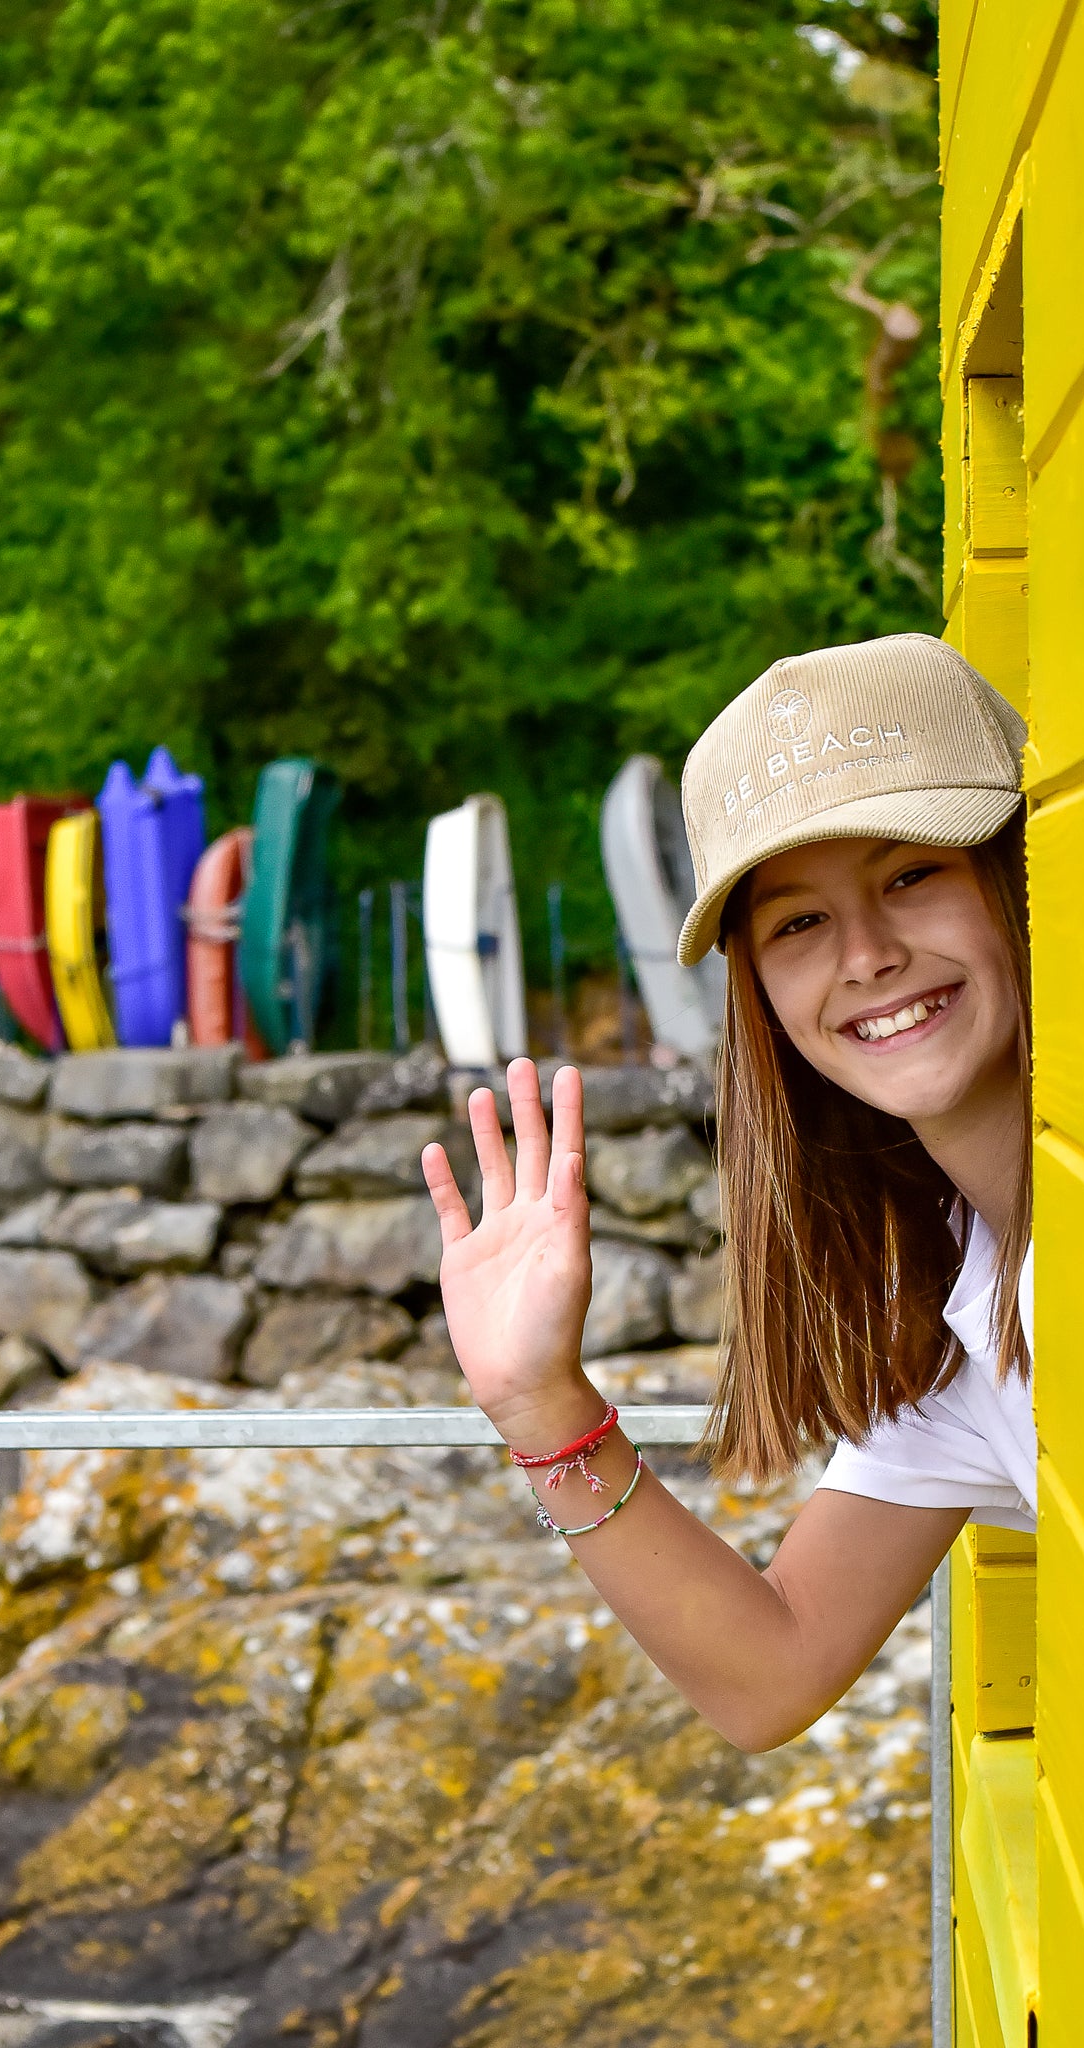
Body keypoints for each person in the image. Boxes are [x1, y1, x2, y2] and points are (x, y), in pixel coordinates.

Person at [422, 633, 1034, 1754]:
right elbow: (773, 1670)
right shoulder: (965, 1287)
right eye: (797, 921)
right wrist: (539, 1400)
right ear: (755, 990)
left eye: (911, 873)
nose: (864, 956)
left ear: (1017, 876)